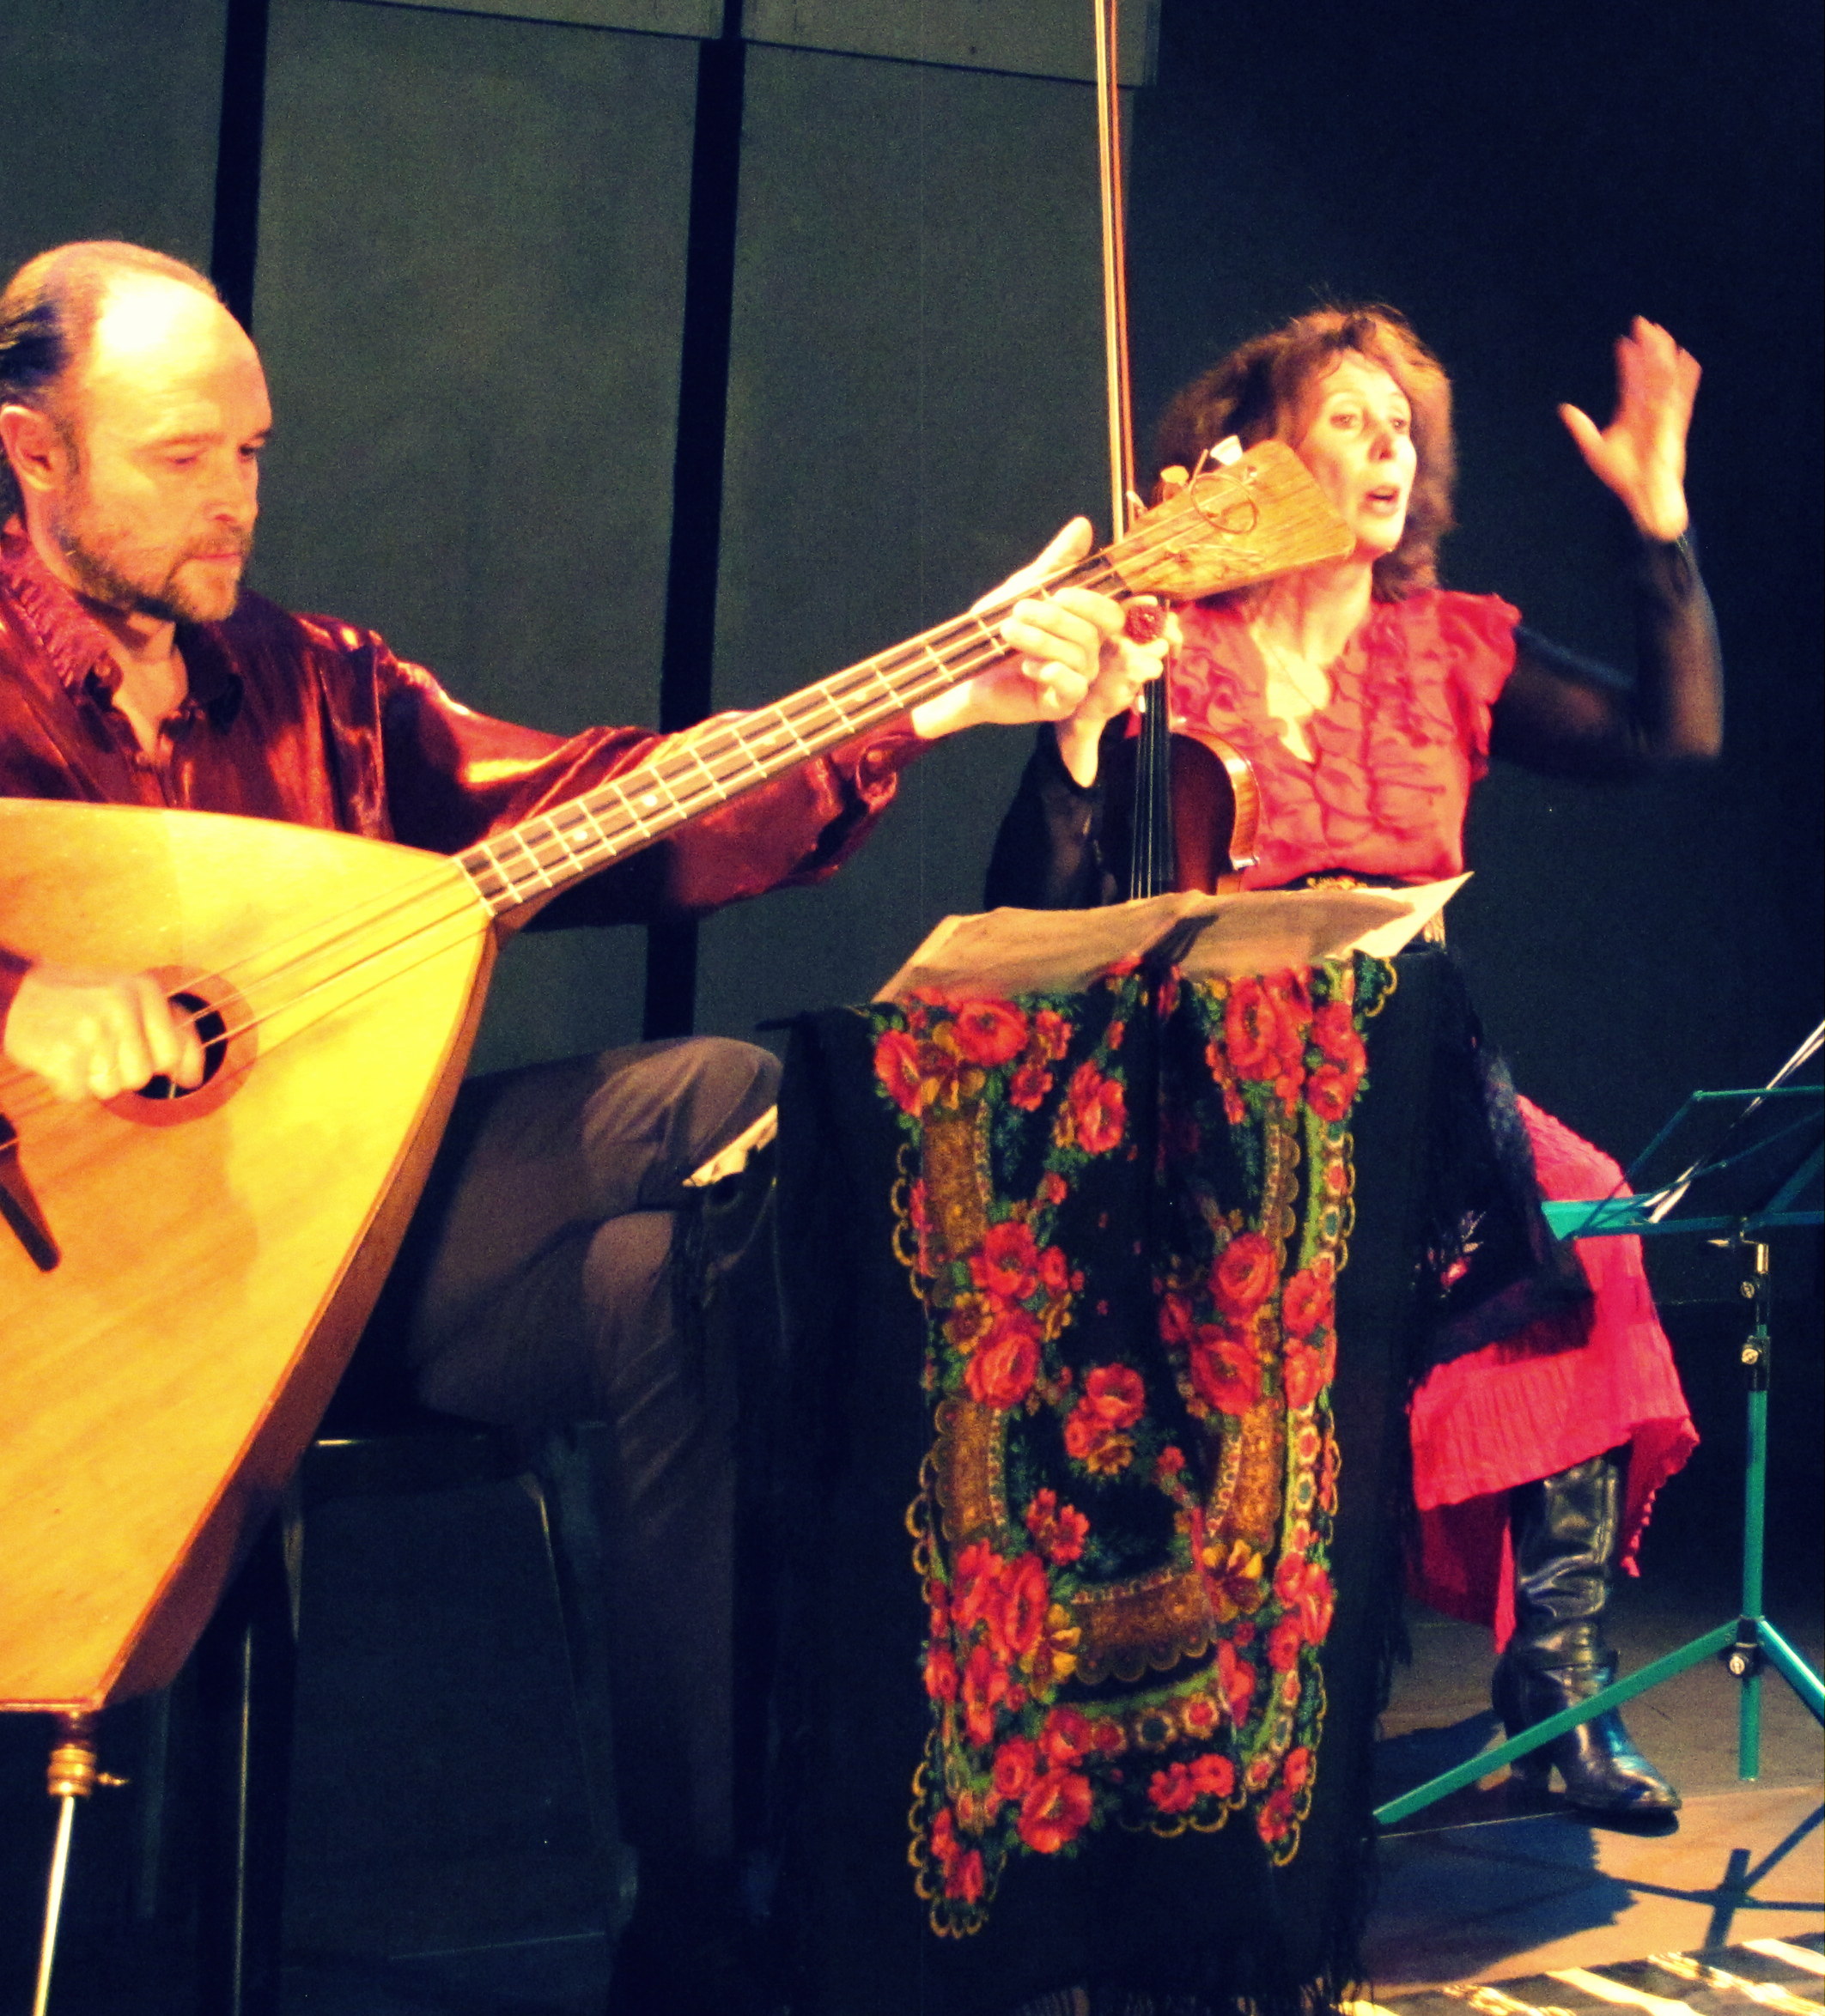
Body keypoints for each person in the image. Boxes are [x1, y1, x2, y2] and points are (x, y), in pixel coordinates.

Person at [0, 240, 1140, 2014]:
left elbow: (607, 804)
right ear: (34, 454)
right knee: (660, 1262)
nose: (234, 497)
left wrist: (935, 699)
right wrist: (16, 995)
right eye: (181, 458)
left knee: (697, 1176)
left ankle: (699, 1915)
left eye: (254, 451)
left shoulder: (321, 686)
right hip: (80, 1319)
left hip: (343, 1264)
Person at [986, 304, 1722, 1821]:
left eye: (1402, 429)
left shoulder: (1445, 648)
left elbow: (1674, 735)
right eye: (1348, 420)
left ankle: (1556, 1686)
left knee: (1585, 1219)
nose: (1387, 449)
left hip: (1415, 1087)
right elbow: (1044, 907)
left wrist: (1657, 523)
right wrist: (1084, 721)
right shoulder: (1170, 646)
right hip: (1221, 1097)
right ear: (1256, 453)